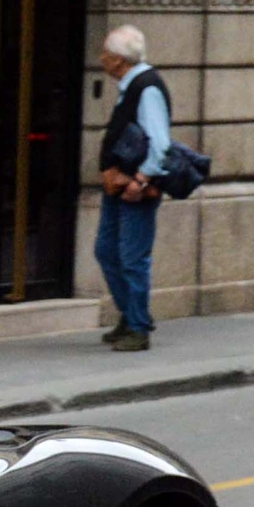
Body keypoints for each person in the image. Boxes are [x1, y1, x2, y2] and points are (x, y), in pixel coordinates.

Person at [94, 24, 171, 353]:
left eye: (106, 54)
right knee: (107, 251)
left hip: (134, 188)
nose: (102, 59)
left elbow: (161, 143)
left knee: (132, 257)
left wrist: (141, 180)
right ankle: (132, 314)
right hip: (119, 186)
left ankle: (138, 327)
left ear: (119, 60)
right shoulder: (133, 85)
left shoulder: (147, 87)